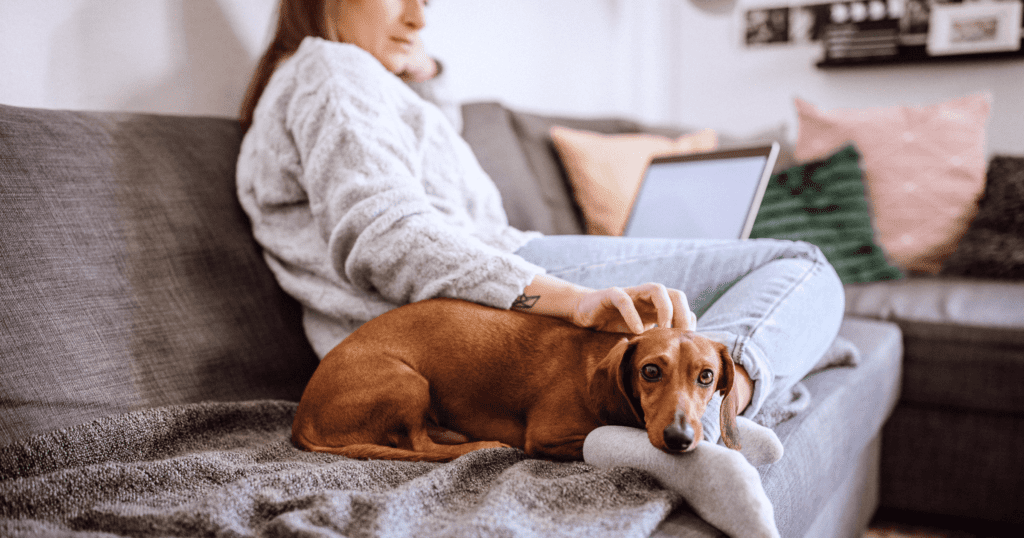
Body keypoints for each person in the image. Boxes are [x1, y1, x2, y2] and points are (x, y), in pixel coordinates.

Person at [237, 0, 844, 454]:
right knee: (803, 267)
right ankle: (714, 426)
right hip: (476, 294)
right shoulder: (331, 71)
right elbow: (388, 235)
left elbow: (430, 174)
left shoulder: (346, 83)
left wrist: (425, 76)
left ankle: (745, 376)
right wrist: (571, 300)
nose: (419, 17)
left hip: (470, 290)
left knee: (712, 314)